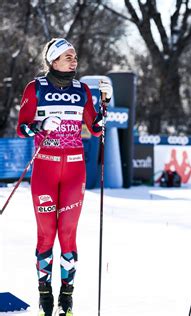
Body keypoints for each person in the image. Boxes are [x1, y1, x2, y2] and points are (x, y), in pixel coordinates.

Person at [16, 38, 112, 316]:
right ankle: (45, 297)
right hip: (45, 168)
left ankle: (66, 298)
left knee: (68, 235)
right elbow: (22, 128)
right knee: (46, 236)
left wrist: (104, 105)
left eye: (75, 55)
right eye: (67, 56)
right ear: (53, 60)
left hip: (74, 169)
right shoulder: (36, 88)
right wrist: (40, 125)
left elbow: (95, 129)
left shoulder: (82, 90)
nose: (74, 60)